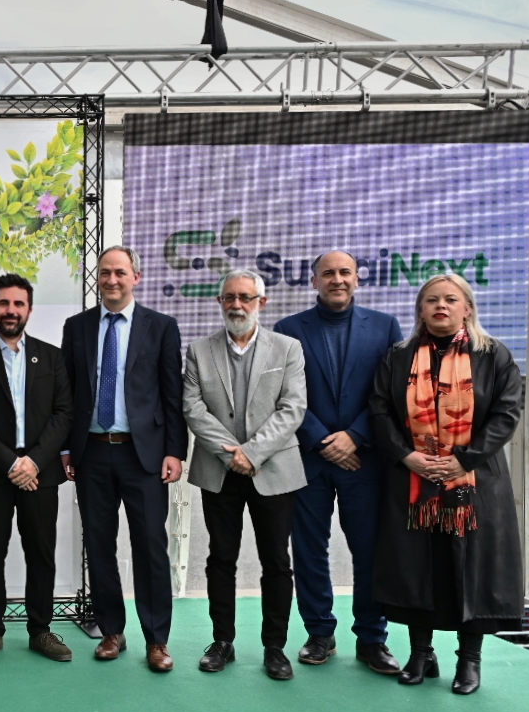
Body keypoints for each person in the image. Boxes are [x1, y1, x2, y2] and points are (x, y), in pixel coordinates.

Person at [369, 274, 523, 695]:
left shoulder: (494, 356)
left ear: (467, 308)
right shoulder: (398, 358)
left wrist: (461, 461)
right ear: (420, 309)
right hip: (413, 482)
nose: (441, 306)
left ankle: (469, 662)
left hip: (474, 483)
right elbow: (380, 411)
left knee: (468, 570)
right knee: (420, 568)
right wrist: (408, 456)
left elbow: (506, 416)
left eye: (450, 300)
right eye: (431, 300)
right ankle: (420, 654)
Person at [274, 251, 404, 676]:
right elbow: (285, 395)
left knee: (369, 551)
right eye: (328, 273)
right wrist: (321, 438)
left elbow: (391, 392)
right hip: (308, 458)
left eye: (344, 272)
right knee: (309, 551)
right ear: (314, 281)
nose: (337, 279)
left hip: (363, 461)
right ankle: (319, 633)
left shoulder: (385, 327)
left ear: (357, 279)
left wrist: (356, 436)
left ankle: (371, 639)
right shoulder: (288, 330)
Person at [60, 246, 186, 672]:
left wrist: (174, 450)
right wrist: (65, 448)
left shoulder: (161, 327)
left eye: (120, 272)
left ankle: (157, 639)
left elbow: (173, 394)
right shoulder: (76, 327)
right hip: (91, 453)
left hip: (144, 455)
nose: (111, 280)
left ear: (137, 276)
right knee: (99, 546)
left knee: (150, 546)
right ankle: (111, 630)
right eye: (105, 273)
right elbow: (68, 394)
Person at [183, 270, 308, 680]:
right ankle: (222, 641)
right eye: (230, 297)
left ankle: (275, 647)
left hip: (272, 469)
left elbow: (292, 409)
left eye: (246, 297)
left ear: (262, 302)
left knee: (276, 562)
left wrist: (252, 454)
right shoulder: (199, 351)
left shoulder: (287, 348)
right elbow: (193, 409)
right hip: (220, 472)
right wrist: (232, 455)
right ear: (220, 302)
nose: (237, 304)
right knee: (221, 559)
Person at [0, 273, 73, 663]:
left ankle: (41, 630)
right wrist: (11, 462)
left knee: (41, 552)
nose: (11, 311)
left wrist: (34, 461)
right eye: (4, 303)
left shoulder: (52, 356)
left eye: (18, 304)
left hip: (40, 471)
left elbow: (63, 413)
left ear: (29, 309)